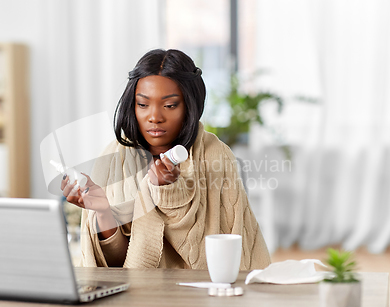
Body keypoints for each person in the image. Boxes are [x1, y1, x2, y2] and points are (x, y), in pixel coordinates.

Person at [61, 49, 271, 270]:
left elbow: (212, 259)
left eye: (170, 105)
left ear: (190, 105)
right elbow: (118, 268)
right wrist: (103, 212)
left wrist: (169, 192)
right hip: (134, 298)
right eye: (143, 104)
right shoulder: (112, 158)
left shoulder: (215, 154)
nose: (155, 117)